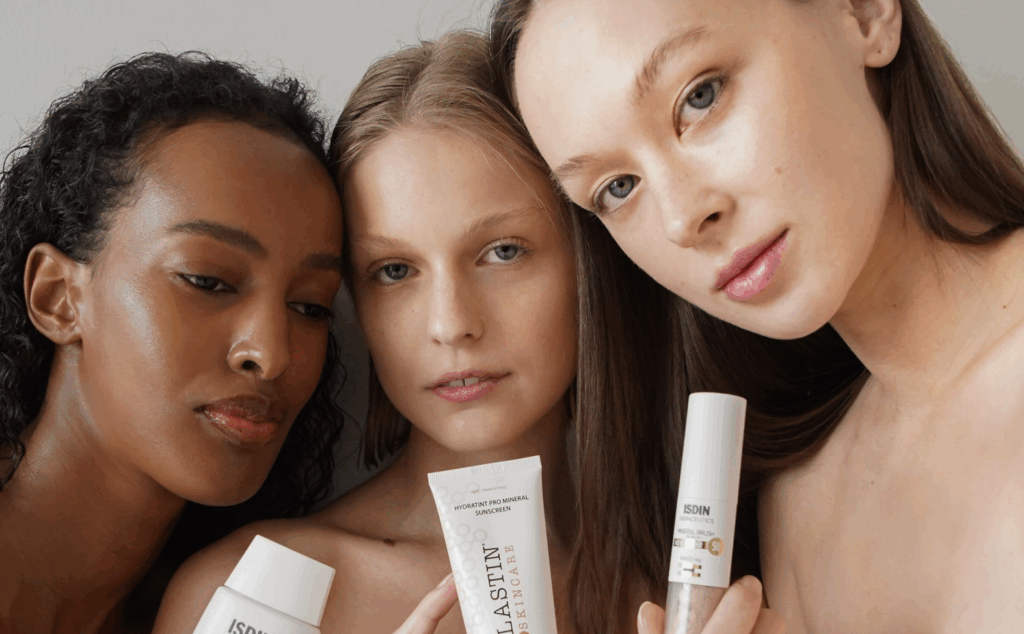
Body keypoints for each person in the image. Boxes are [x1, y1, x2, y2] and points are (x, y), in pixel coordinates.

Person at [150, 29, 730, 634]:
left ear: (590, 261)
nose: (451, 325)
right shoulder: (254, 593)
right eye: (395, 271)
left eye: (503, 252)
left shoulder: (687, 595)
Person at [491, 0, 1024, 632]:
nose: (681, 218)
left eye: (700, 97)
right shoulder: (797, 511)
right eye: (618, 188)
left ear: (862, 14)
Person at [0, 52, 348, 634]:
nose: (272, 355)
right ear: (58, 297)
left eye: (310, 306)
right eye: (207, 281)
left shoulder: (220, 610)